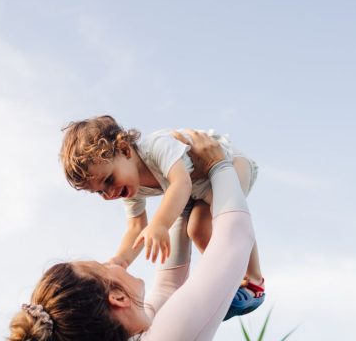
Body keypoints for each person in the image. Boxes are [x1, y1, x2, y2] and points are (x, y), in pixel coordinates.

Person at [10, 130, 257, 341]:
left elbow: (168, 283)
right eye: (104, 267)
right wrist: (219, 166)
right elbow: (233, 240)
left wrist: (183, 200)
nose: (117, 263)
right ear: (116, 297)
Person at [59, 115, 264, 320]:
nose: (110, 193)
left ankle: (254, 282)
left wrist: (160, 225)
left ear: (124, 149)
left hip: (230, 163)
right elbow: (136, 227)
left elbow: (180, 184)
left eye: (109, 180)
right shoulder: (130, 188)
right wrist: (120, 260)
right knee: (197, 230)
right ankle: (231, 281)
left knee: (223, 220)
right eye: (100, 192)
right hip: (202, 187)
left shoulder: (157, 146)